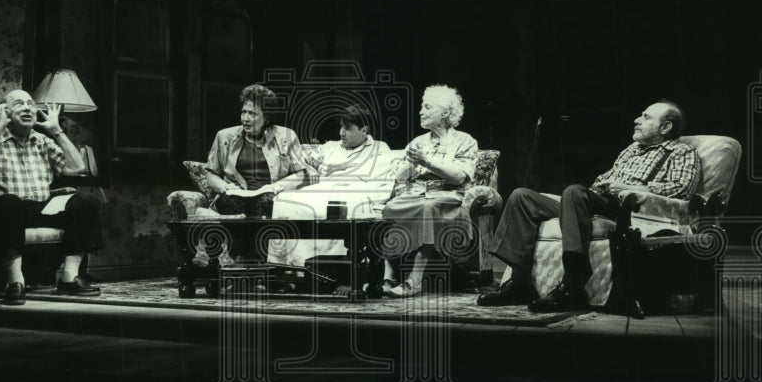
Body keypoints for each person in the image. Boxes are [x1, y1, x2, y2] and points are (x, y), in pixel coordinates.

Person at [478, 100, 702, 311]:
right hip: (601, 201)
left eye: (646, 117)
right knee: (521, 196)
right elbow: (602, 180)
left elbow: (682, 189)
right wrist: (603, 185)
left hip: (631, 210)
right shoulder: (632, 149)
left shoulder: (681, 152)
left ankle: (572, 284)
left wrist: (628, 188)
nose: (637, 120)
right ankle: (518, 284)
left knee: (574, 192)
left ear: (665, 127)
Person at [0, 88, 103, 306]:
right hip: (7, 211)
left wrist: (57, 131)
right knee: (10, 202)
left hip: (42, 208)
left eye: (30, 103)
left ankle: (69, 278)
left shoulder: (42, 140)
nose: (28, 107)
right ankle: (14, 282)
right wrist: (0, 125)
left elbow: (77, 168)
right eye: (19, 104)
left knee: (87, 200)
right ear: (5, 110)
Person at [368, 85, 479, 298]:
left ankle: (415, 280)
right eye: (421, 107)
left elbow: (458, 177)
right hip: (416, 195)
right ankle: (388, 277)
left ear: (445, 113)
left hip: (447, 197)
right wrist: (409, 165)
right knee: (392, 207)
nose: (420, 111)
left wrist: (427, 162)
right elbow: (400, 177)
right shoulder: (418, 142)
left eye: (427, 107)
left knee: (429, 207)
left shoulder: (465, 141)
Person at [268, 103, 393, 270]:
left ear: (364, 130)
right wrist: (320, 168)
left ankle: (339, 271)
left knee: (340, 204)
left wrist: (338, 171)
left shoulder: (379, 148)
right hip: (322, 189)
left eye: (348, 128)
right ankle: (288, 267)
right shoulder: (331, 147)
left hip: (355, 191)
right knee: (283, 199)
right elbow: (307, 164)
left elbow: (378, 181)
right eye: (341, 126)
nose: (341, 132)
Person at [204, 83, 309, 219]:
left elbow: (300, 174)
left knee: (267, 202)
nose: (245, 119)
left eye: (252, 114)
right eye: (244, 112)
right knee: (233, 203)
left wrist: (275, 187)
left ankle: (258, 239)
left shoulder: (286, 136)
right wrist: (226, 187)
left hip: (270, 195)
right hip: (234, 196)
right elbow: (210, 175)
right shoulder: (224, 137)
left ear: (266, 118)